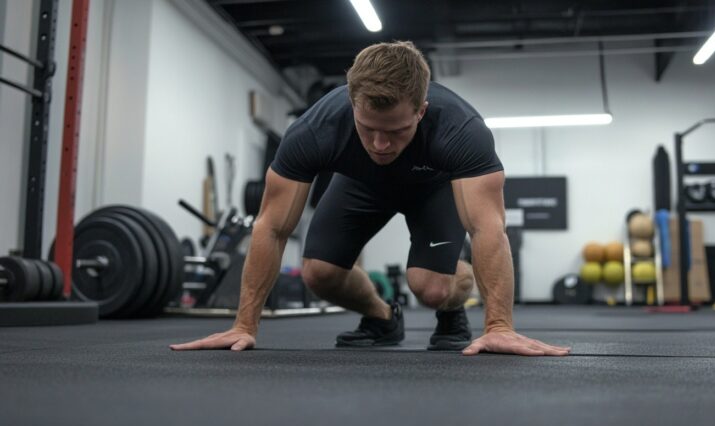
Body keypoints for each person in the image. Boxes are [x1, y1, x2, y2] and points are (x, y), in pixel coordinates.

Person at [171, 41, 570, 357]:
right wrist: (244, 325)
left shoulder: (461, 130)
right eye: (367, 128)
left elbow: (488, 227)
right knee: (318, 275)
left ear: (421, 110)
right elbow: (271, 227)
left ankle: (451, 302)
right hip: (360, 185)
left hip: (432, 187)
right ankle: (382, 318)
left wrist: (498, 326)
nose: (380, 144)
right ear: (353, 104)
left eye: (395, 131)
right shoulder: (314, 130)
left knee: (429, 288)